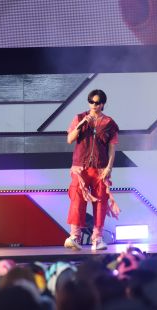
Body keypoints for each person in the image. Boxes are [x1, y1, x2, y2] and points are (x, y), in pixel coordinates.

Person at [64, 89, 120, 251]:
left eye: (96, 103)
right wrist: (81, 125)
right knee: (77, 200)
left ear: (102, 104)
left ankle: (97, 239)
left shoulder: (109, 123)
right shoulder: (79, 118)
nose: (93, 105)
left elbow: (112, 148)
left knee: (101, 202)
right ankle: (75, 236)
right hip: (80, 168)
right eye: (91, 102)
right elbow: (69, 139)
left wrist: (109, 167)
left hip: (100, 168)